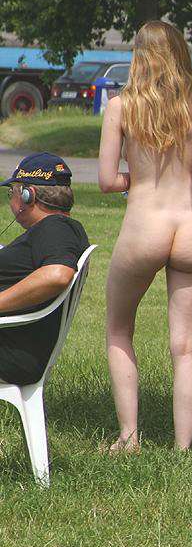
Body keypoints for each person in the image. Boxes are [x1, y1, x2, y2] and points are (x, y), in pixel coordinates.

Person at [99, 20, 192, 453]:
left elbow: (106, 180)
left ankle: (129, 436)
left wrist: (138, 178)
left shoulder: (121, 107)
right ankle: (183, 448)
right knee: (186, 346)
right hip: (191, 226)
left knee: (119, 330)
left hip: (144, 225)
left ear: (139, 56)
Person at [0, 153, 89, 386]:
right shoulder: (56, 229)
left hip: (12, 352)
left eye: (12, 192)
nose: (11, 200)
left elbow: (57, 275)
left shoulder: (55, 228)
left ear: (28, 195)